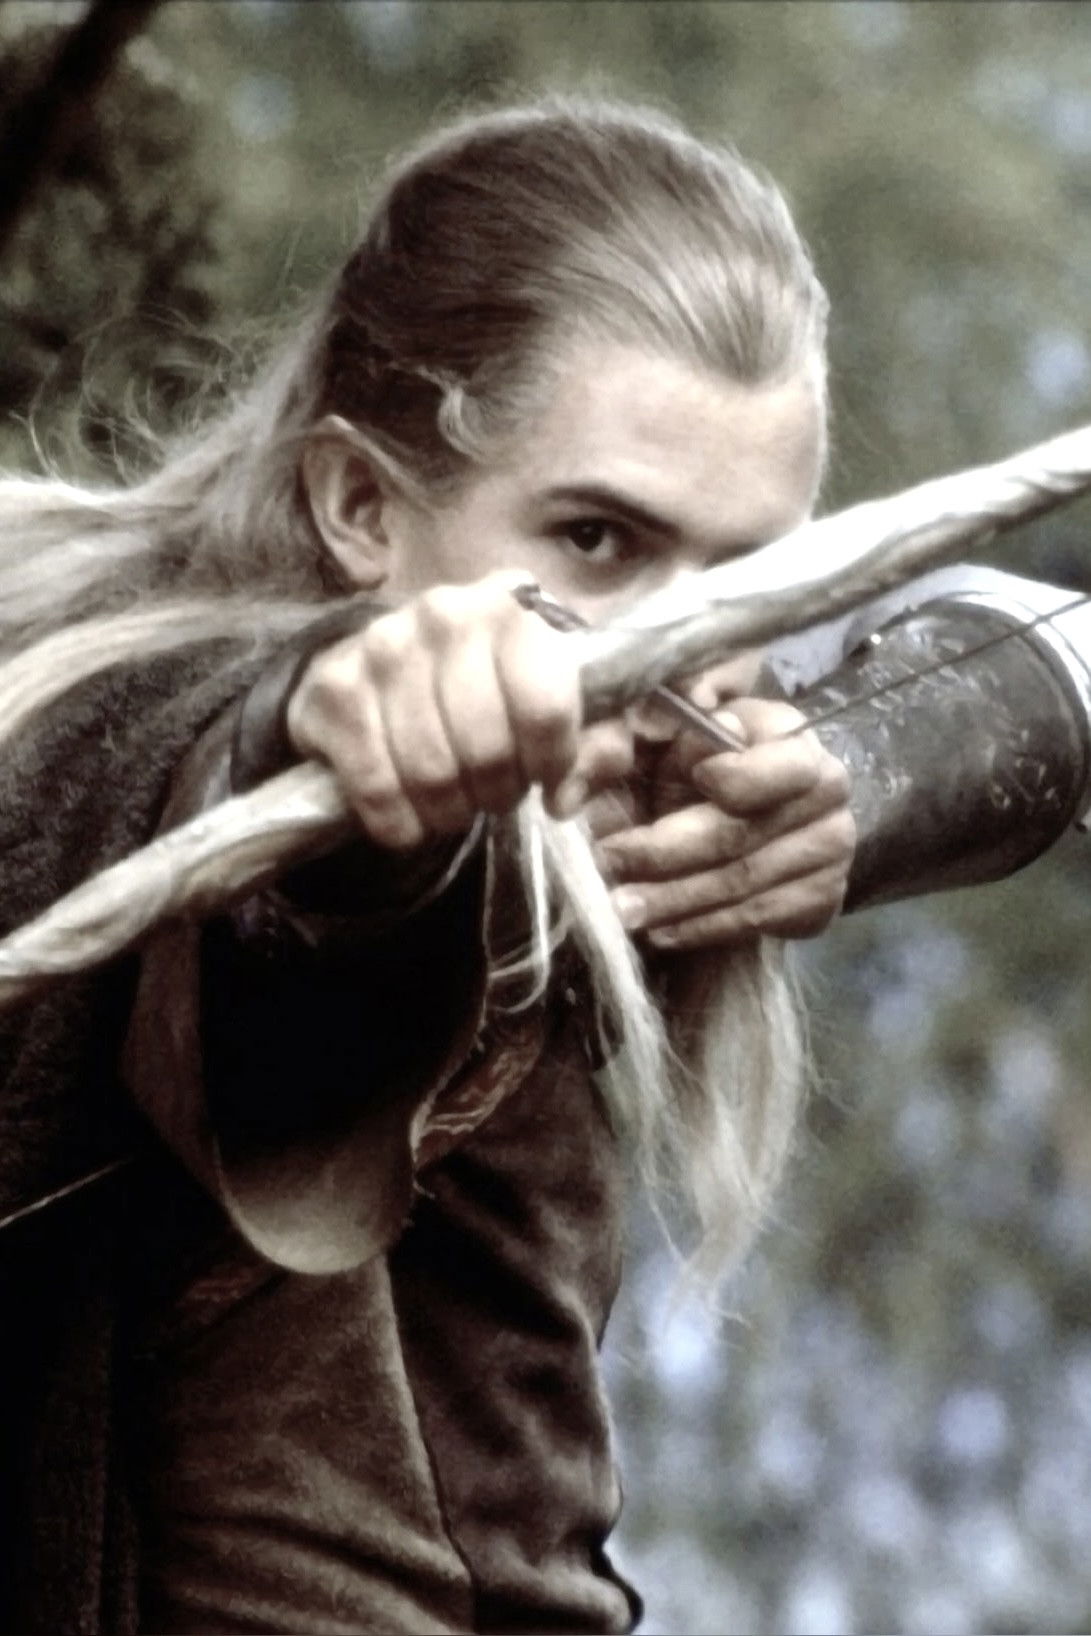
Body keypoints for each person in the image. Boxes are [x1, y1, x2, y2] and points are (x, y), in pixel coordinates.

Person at [0, 98, 856, 1634]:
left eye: (755, 574)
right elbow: (280, 883)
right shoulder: (239, 777)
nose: (690, 652)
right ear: (360, 506)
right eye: (596, 541)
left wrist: (888, 772)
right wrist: (338, 738)